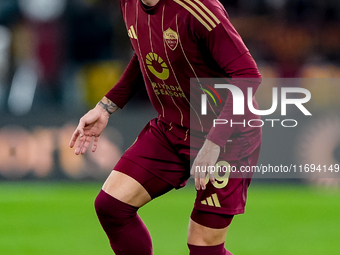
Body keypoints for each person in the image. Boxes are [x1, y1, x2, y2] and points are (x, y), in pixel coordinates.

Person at [69, 0, 262, 254]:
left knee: (204, 247)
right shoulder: (128, 4)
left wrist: (214, 142)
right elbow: (146, 56)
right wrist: (106, 106)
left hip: (228, 136)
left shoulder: (199, 8)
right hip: (172, 128)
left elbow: (248, 76)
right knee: (111, 206)